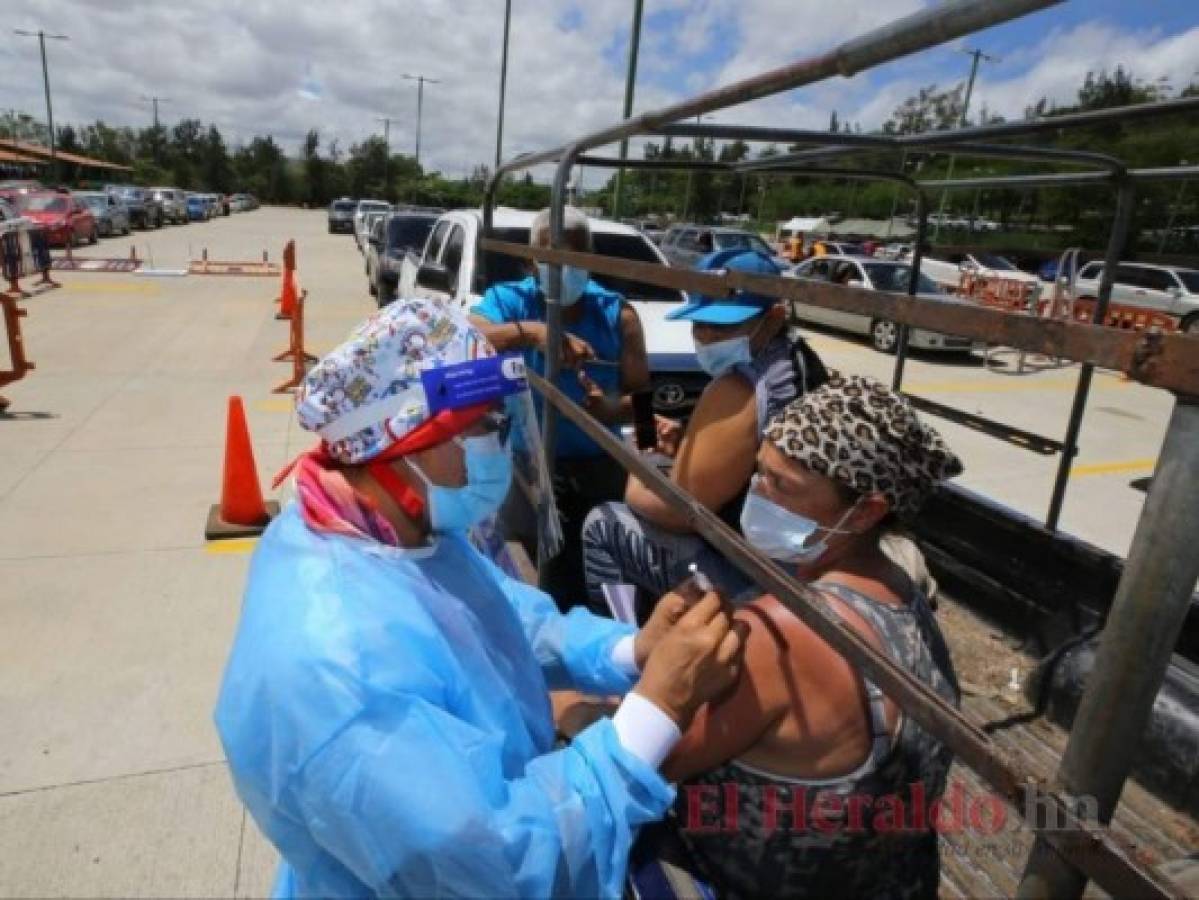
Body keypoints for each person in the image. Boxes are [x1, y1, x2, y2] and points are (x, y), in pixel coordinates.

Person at [213, 299, 743, 899]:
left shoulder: (389, 531)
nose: (503, 443)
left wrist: (629, 651)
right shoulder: (339, 667)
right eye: (486, 427)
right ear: (408, 441)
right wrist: (657, 709)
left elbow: (500, 615)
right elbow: (496, 863)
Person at [658, 375, 963, 899]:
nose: (758, 495)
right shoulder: (905, 591)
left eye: (784, 487)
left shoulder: (784, 632)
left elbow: (659, 760)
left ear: (865, 510)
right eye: (759, 473)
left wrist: (656, 665)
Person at [582, 248, 828, 615]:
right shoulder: (799, 363)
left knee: (603, 523)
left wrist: (638, 465)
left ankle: (634, 650)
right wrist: (684, 441)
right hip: (794, 558)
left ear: (775, 316)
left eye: (725, 325)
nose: (708, 337)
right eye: (700, 324)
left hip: (761, 579)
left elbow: (678, 514)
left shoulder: (739, 386)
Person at [469, 205, 650, 607]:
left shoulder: (619, 315)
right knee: (525, 569)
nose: (564, 270)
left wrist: (610, 409)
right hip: (525, 462)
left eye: (574, 258)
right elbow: (471, 336)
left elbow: (643, 404)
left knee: (593, 574)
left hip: (596, 466)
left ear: (590, 257)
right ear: (534, 258)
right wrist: (534, 332)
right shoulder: (510, 300)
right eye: (553, 258)